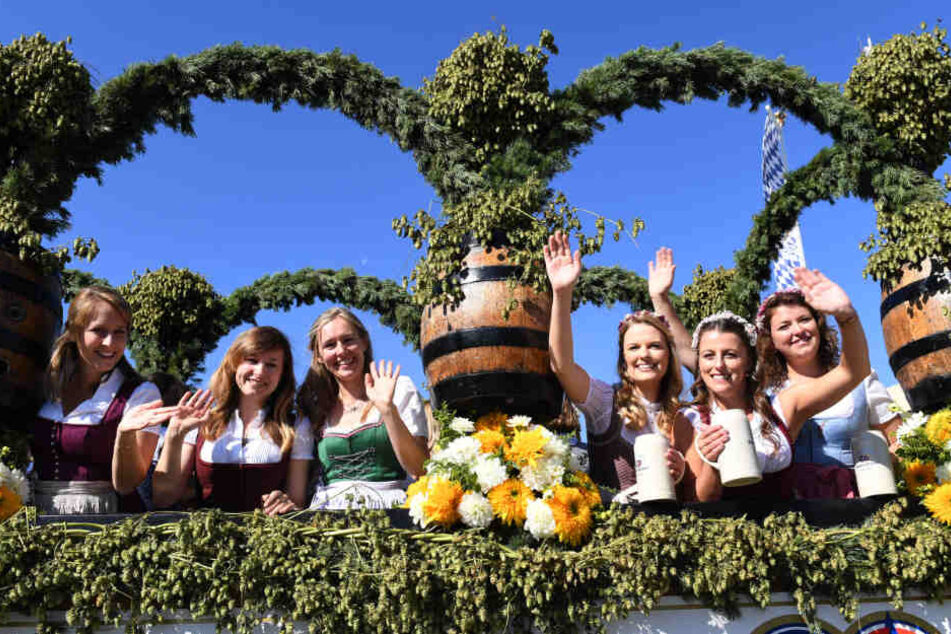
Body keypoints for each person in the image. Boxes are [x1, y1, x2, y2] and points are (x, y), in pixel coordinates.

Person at [649, 248, 873, 499]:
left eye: (731, 355)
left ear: (748, 363)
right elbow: (698, 502)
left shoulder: (782, 406)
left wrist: (847, 317)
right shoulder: (689, 420)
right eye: (709, 356)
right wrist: (713, 463)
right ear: (699, 363)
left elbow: (854, 371)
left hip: (793, 530)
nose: (719, 365)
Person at [544, 232, 718, 502]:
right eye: (634, 348)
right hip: (614, 535)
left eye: (655, 346)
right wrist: (562, 292)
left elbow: (708, 365)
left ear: (669, 356)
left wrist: (683, 472)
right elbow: (562, 366)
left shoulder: (685, 415)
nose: (644, 355)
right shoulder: (604, 403)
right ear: (623, 359)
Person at [32, 286, 176, 514]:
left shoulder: (140, 394)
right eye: (99, 331)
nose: (110, 343)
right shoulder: (44, 383)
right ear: (73, 331)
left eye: (120, 332)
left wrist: (125, 433)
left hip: (106, 519)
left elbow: (128, 484)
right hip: (37, 514)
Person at [757, 288, 900, 498]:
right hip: (791, 511)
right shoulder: (764, 396)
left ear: (818, 325)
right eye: (784, 326)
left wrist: (882, 467)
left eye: (804, 319)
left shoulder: (863, 380)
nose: (797, 330)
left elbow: (899, 439)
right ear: (772, 340)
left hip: (859, 505)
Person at [152, 326, 311, 514]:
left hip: (269, 538)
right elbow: (163, 497)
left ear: (282, 374)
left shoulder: (297, 426)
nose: (260, 371)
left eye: (271, 364)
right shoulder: (200, 421)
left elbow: (297, 502)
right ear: (234, 364)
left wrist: (286, 503)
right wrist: (174, 434)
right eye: (252, 360)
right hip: (207, 538)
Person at [298, 307, 429, 509]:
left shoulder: (398, 388)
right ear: (319, 356)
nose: (341, 351)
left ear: (364, 342)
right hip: (329, 517)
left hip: (390, 513)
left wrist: (387, 409)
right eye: (330, 345)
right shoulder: (315, 407)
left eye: (348, 340)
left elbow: (420, 469)